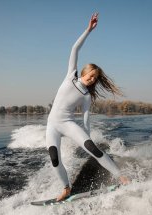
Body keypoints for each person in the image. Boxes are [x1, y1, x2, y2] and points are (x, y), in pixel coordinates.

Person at [46, 12, 130, 201]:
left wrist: (87, 136)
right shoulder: (70, 76)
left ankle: (121, 177)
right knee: (54, 158)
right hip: (52, 124)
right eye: (90, 75)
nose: (92, 79)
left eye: (94, 78)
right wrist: (88, 30)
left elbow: (85, 118)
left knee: (94, 149)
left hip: (68, 124)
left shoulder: (86, 96)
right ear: (83, 72)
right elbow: (75, 48)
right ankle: (66, 188)